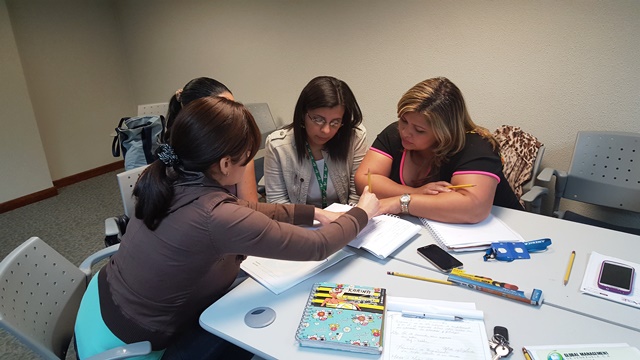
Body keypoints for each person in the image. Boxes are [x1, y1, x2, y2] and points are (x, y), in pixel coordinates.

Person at [74, 97, 380, 360]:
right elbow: (317, 247)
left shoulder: (170, 175)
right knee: (256, 325)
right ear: (224, 165)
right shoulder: (213, 215)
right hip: (131, 341)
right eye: (247, 158)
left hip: (101, 301)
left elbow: (248, 210)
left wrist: (310, 212)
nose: (249, 163)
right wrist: (360, 214)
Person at [355, 77, 522, 224]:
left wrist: (400, 202)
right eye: (403, 120)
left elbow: (473, 208)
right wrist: (414, 192)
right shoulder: (395, 133)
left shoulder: (476, 146)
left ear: (445, 131)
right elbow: (364, 181)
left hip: (510, 235)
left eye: (419, 130)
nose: (405, 132)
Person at [264, 76, 368, 207]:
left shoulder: (354, 137)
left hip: (345, 220)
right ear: (303, 114)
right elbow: (277, 204)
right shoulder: (278, 146)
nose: (326, 130)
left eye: (335, 122)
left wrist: (346, 222)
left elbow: (357, 196)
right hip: (299, 223)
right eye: (318, 119)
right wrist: (318, 218)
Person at [165, 77, 259, 202]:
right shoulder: (174, 161)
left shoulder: (240, 153)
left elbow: (251, 209)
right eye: (225, 112)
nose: (235, 118)